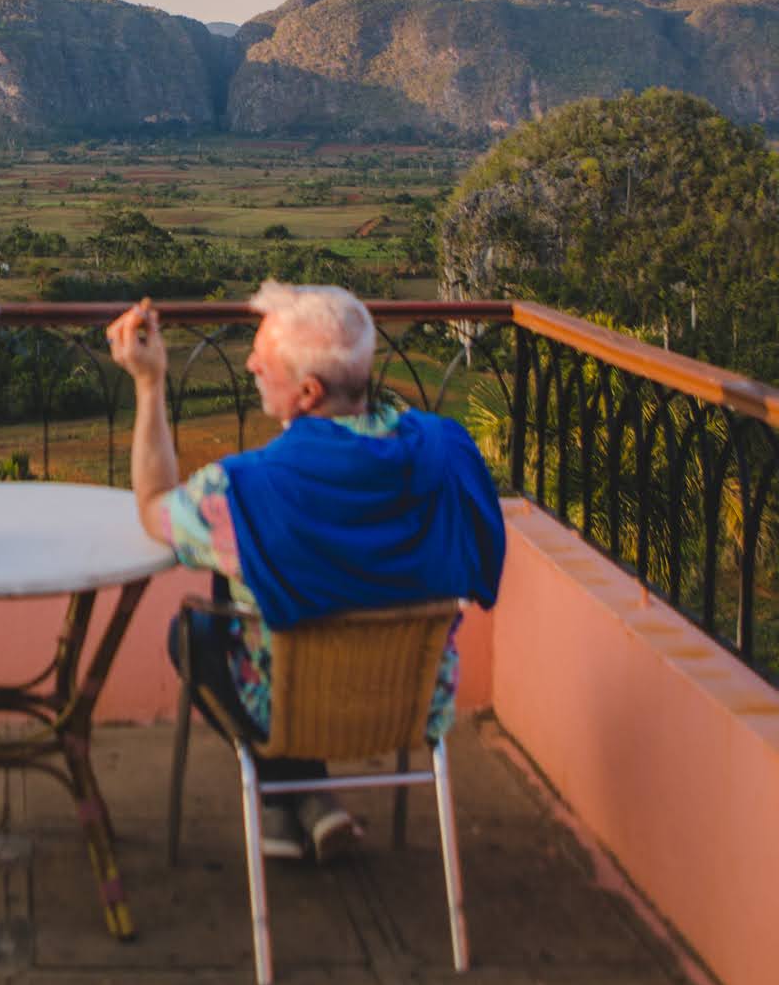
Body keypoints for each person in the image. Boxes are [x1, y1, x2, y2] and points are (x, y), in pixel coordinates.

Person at [106, 279, 505, 864]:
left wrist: (149, 381)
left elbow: (152, 505)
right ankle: (310, 797)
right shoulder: (448, 455)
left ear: (309, 390)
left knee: (191, 632)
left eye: (263, 362)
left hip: (289, 707)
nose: (248, 364)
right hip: (417, 701)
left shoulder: (241, 494)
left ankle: (281, 789)